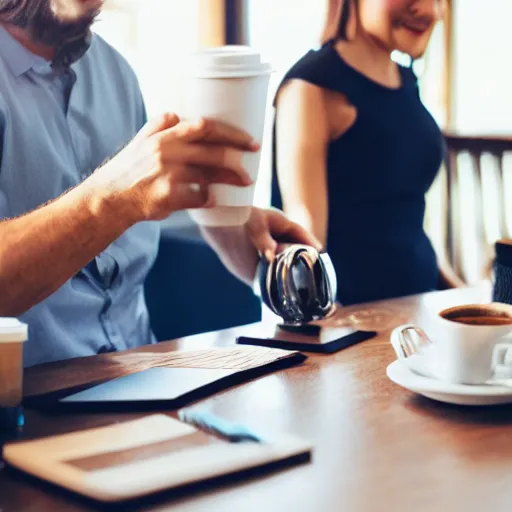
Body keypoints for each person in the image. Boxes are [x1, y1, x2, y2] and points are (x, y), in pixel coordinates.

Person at [0, 0, 320, 367]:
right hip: (28, 406)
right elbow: (120, 197)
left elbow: (138, 200)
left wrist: (223, 213)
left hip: (144, 378)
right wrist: (113, 200)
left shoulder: (116, 73)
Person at [272, 0, 464, 306]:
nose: (429, 11)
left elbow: (405, 226)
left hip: (421, 310)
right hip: (356, 322)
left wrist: (466, 296)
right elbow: (305, 230)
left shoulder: (405, 79)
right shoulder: (310, 88)